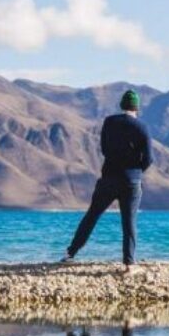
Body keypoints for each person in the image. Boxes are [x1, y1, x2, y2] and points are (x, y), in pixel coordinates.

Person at [63, 90, 152, 272]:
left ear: (122, 105)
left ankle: (70, 253)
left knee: (92, 215)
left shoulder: (109, 122)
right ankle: (129, 263)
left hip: (109, 177)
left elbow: (104, 148)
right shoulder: (142, 127)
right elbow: (149, 158)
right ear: (137, 107)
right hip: (131, 181)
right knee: (129, 222)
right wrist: (136, 171)